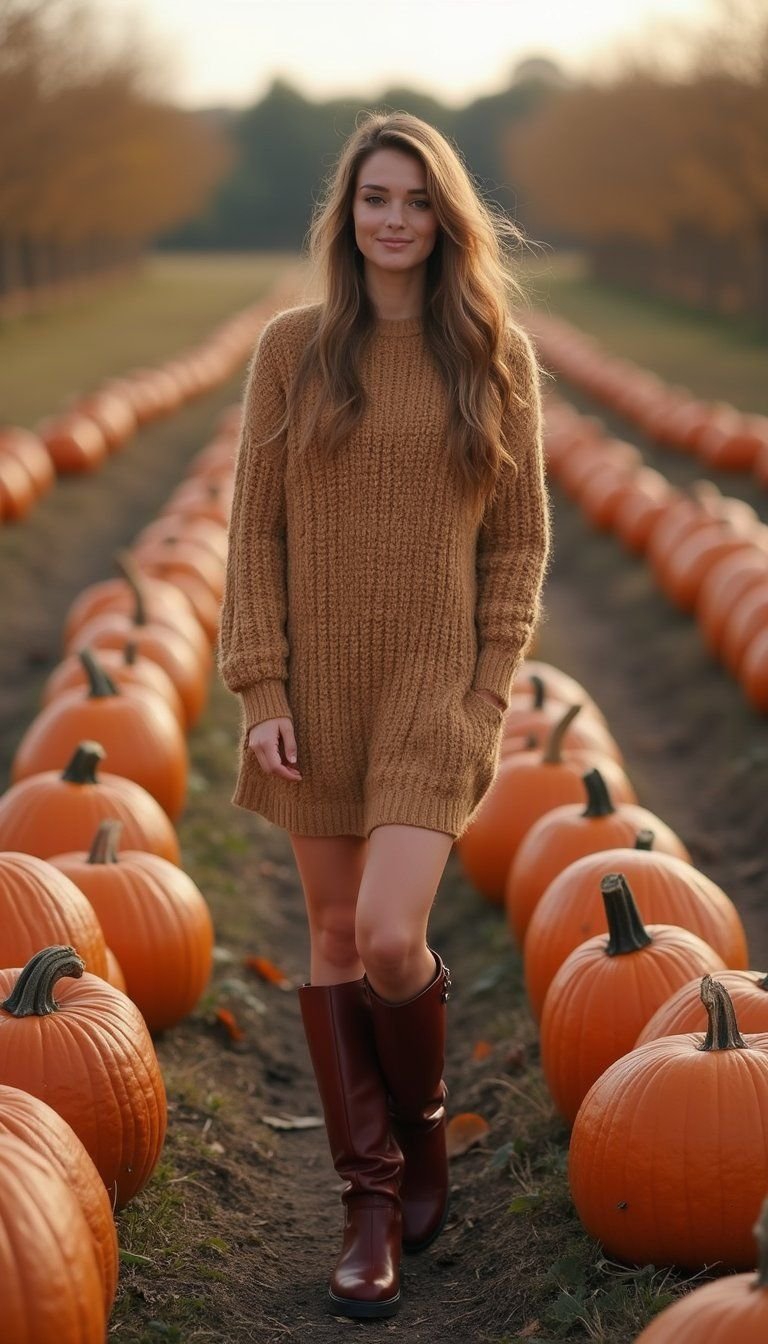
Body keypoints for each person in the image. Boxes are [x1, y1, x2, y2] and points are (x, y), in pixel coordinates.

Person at [218, 109, 551, 1320]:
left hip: (432, 689)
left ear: (445, 215)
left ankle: (421, 1135)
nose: (395, 219)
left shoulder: (491, 354)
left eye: (415, 199)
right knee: (336, 939)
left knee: (395, 938)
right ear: (346, 217)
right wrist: (262, 686)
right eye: (375, 199)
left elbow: (518, 542)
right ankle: (368, 1200)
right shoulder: (291, 352)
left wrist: (485, 686)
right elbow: (253, 531)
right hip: (315, 691)